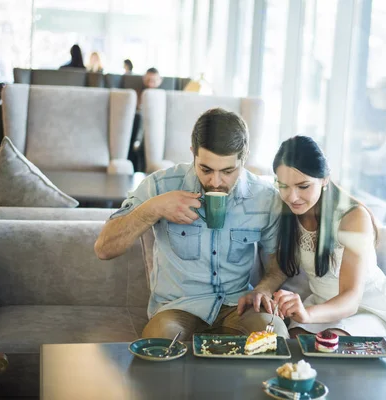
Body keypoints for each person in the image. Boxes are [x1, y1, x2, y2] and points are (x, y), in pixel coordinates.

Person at [94, 108, 288, 340]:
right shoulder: (160, 185)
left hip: (237, 306)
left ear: (244, 158)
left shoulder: (265, 197)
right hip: (177, 308)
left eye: (228, 171)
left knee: (273, 335)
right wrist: (154, 208)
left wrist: (263, 289)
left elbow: (279, 263)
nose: (215, 182)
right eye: (206, 169)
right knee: (159, 342)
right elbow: (104, 248)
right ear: (193, 153)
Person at [241, 135, 386, 337]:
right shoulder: (288, 210)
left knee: (328, 342)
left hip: (367, 310)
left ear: (324, 179)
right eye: (284, 186)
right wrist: (262, 290)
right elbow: (281, 269)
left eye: (303, 186)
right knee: (291, 345)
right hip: (321, 307)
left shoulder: (353, 218)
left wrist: (306, 314)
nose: (292, 197)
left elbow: (351, 298)